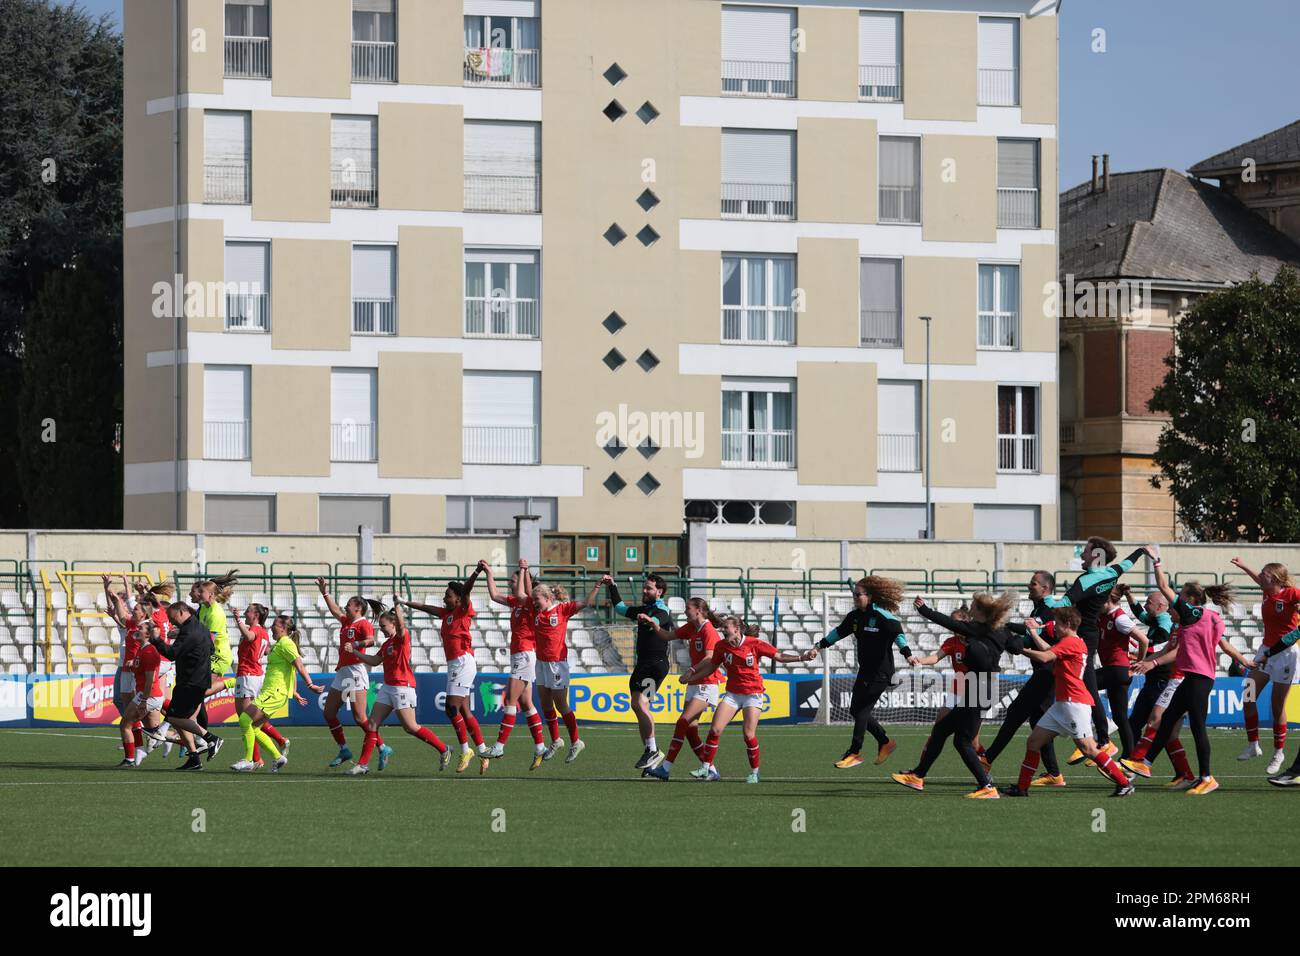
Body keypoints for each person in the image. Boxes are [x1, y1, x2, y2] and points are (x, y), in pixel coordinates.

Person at [1124, 559, 1252, 795]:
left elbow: (1163, 586)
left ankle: (1207, 777)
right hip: (1193, 678)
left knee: (1197, 729)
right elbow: (1223, 645)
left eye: (1181, 595)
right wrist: (1245, 661)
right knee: (1168, 718)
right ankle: (1146, 762)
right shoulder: (1205, 619)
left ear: (1191, 600)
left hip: (1198, 678)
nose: (1178, 599)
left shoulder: (1192, 613)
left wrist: (1156, 561)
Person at [891, 592, 1016, 798]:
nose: (971, 609)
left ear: (980, 612)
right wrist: (1019, 637)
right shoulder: (999, 631)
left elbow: (947, 622)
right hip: (978, 688)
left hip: (979, 688)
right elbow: (1017, 646)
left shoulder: (978, 630)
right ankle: (918, 776)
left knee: (964, 741)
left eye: (974, 606)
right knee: (942, 730)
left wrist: (924, 610)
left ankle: (986, 786)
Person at [1000, 607, 1134, 798]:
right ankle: (1022, 788)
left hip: (1074, 704)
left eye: (1058, 624)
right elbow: (1049, 650)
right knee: (1034, 742)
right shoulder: (1071, 642)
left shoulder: (1071, 642)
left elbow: (1046, 656)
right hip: (1063, 704)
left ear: (1068, 625)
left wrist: (1022, 649)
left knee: (1088, 748)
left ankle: (1124, 783)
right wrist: (1031, 633)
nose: (1054, 627)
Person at [1042, 539, 1152, 764]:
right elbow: (1127, 564)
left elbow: (1063, 603)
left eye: (1087, 550)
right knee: (1085, 682)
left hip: (1081, 636)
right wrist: (1140, 551)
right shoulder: (1112, 572)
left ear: (1097, 555)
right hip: (1090, 634)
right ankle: (1102, 735)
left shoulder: (1085, 581)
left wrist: (1043, 603)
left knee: (1085, 683)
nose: (1083, 553)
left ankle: (1103, 735)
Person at [677, 617, 806, 783]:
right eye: (722, 628)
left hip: (753, 694)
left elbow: (778, 656)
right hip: (732, 694)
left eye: (726, 628)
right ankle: (706, 767)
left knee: (748, 734)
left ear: (737, 629)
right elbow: (711, 667)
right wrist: (692, 677)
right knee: (715, 730)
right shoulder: (721, 646)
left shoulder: (754, 643)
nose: (723, 630)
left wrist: (801, 658)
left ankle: (754, 772)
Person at [813, 576, 916, 769]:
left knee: (861, 710)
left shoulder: (883, 617)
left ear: (870, 596)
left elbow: (898, 635)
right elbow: (838, 632)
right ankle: (885, 742)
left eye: (858, 594)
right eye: (854, 594)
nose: (855, 597)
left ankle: (854, 752)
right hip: (865, 671)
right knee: (855, 710)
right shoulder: (855, 616)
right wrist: (818, 646)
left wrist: (908, 654)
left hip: (881, 673)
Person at [344, 597, 452, 776]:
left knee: (411, 727)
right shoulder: (387, 644)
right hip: (388, 687)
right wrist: (355, 652)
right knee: (372, 724)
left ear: (393, 624)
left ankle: (443, 749)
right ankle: (362, 764)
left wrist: (397, 605)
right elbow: (375, 660)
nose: (381, 629)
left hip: (403, 687)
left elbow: (402, 627)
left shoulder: (402, 638)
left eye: (384, 626)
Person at [402, 566, 487, 774]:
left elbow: (466, 590)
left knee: (451, 708)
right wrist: (404, 602)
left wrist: (476, 573)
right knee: (464, 710)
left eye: (447, 596)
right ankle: (484, 751)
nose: (444, 598)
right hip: (454, 664)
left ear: (458, 599)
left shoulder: (463, 610)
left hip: (463, 662)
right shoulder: (446, 613)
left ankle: (466, 750)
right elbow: (425, 607)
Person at [983, 571, 1065, 786]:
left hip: (1047, 673)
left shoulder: (1049, 609)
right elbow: (1030, 635)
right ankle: (1054, 774)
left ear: (1045, 588)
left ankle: (987, 759)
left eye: (1033, 583)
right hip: (1045, 671)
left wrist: (1002, 625)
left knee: (1015, 714)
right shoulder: (1040, 608)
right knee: (1039, 723)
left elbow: (1029, 631)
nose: (1030, 586)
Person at [1229, 558, 1300, 773]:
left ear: (1276, 578)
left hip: (1286, 654)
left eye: (1264, 573)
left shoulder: (1291, 594)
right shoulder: (1267, 592)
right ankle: (1253, 745)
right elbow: (1257, 578)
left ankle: (1279, 752)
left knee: (1277, 706)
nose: (1260, 575)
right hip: (1265, 652)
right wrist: (1242, 566)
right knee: (1248, 695)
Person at [640, 597, 724, 781]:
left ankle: (666, 768)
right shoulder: (692, 627)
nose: (685, 611)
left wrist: (691, 671)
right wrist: (653, 625)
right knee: (690, 730)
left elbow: (710, 658)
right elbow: (668, 636)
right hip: (695, 683)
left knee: (682, 722)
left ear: (699, 611)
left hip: (707, 683)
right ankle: (711, 770)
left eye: (688, 608)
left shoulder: (708, 630)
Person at [231, 614, 324, 773]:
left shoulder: (286, 643)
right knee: (254, 728)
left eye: (274, 624)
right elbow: (291, 670)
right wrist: (294, 691)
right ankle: (277, 757)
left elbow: (299, 665)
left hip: (274, 692)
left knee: (245, 719)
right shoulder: (280, 644)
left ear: (283, 628)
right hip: (274, 692)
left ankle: (248, 760)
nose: (271, 627)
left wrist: (310, 684)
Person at [480, 559, 548, 770]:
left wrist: (523, 569)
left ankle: (499, 746)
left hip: (525, 655)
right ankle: (540, 748)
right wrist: (489, 573)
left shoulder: (529, 602)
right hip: (520, 656)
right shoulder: (516, 602)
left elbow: (523, 592)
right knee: (526, 703)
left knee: (510, 699)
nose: (510, 582)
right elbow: (493, 595)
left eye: (513, 579)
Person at [316, 577, 390, 770]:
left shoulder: (362, 623)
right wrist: (324, 592)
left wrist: (356, 644)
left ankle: (382, 746)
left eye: (349, 605)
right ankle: (344, 749)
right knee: (329, 712)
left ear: (357, 608)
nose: (345, 607)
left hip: (356, 671)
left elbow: (371, 641)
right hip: (343, 672)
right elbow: (334, 610)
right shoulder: (346, 622)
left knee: (360, 717)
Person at [531, 578, 606, 765]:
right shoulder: (537, 613)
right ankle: (556, 740)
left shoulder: (562, 610)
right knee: (545, 704)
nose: (534, 603)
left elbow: (586, 603)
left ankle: (576, 741)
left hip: (557, 664)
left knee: (560, 703)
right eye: (533, 600)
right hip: (541, 663)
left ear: (548, 598)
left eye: (537, 599)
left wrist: (597, 586)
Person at [606, 573, 674, 771]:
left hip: (655, 664)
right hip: (643, 664)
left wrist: (649, 618)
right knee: (640, 706)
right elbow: (620, 608)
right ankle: (650, 754)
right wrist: (612, 585)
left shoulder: (661, 608)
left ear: (659, 592)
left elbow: (661, 618)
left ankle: (653, 750)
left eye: (649, 588)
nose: (644, 590)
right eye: (644, 587)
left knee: (639, 703)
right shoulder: (644, 608)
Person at [144, 601, 224, 771]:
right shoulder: (200, 627)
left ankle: (210, 738)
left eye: (172, 618)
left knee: (175, 719)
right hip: (196, 679)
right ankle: (194, 758)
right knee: (178, 719)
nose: (172, 622)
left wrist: (156, 640)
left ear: (181, 612)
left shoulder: (188, 631)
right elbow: (210, 649)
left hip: (191, 681)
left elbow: (171, 654)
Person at [1096, 584, 1148, 759]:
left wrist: (1140, 662)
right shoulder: (1104, 616)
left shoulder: (1120, 618)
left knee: (1083, 685)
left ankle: (1104, 736)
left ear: (1108, 599)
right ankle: (1129, 756)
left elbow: (1143, 640)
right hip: (1114, 671)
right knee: (1120, 717)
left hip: (1117, 670)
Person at [228, 603, 272, 768]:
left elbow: (249, 637)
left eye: (248, 611)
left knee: (246, 720)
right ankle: (257, 758)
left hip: (248, 675)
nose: (246, 613)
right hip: (254, 675)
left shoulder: (254, 630)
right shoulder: (264, 632)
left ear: (256, 615)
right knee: (249, 721)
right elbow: (266, 651)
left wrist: (238, 619)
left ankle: (254, 759)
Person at [116, 620, 165, 769]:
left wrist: (144, 700)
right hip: (145, 695)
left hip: (149, 696)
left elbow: (150, 680)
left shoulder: (150, 652)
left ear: (148, 634)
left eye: (141, 628)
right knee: (150, 730)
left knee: (126, 724)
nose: (137, 629)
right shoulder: (142, 649)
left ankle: (130, 759)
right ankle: (181, 741)